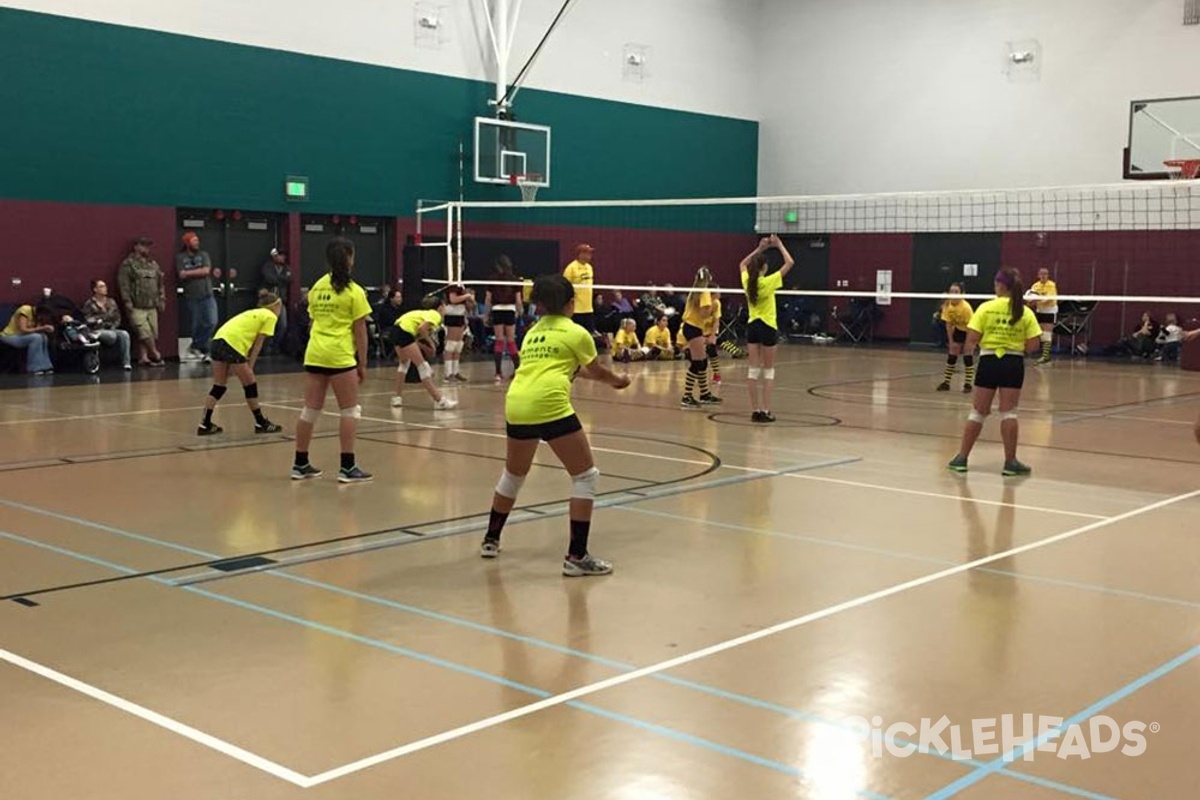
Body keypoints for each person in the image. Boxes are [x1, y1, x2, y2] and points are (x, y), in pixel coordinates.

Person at [479, 274, 631, 576]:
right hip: (549, 404)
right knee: (586, 476)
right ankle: (577, 556)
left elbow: (566, 369)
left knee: (514, 474)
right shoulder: (576, 333)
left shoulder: (532, 333)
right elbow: (596, 371)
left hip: (517, 403)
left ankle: (491, 540)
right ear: (571, 303)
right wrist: (619, 382)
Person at [292, 237, 373, 483]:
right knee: (350, 410)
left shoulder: (317, 287)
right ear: (350, 258)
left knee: (310, 410)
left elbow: (312, 322)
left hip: (315, 353)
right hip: (339, 356)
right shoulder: (355, 292)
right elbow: (360, 331)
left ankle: (300, 463)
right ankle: (347, 467)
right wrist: (363, 363)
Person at [947, 268, 1042, 476]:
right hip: (1013, 362)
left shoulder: (985, 308)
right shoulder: (1024, 311)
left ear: (1000, 285)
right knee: (1009, 412)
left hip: (989, 360)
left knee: (978, 411)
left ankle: (961, 458)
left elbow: (971, 341)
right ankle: (1010, 462)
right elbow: (1034, 345)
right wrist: (1014, 342)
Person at [197, 290, 284, 436]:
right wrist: (250, 366)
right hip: (232, 344)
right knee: (250, 384)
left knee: (219, 386)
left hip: (218, 340)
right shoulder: (270, 316)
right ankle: (260, 422)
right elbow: (258, 344)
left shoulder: (253, 313)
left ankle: (204, 423)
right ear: (276, 305)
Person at [740, 234, 795, 423]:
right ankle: (765, 410)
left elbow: (741, 265)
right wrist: (779, 245)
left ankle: (755, 411)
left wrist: (759, 249)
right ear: (764, 268)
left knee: (753, 371)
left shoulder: (748, 282)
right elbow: (790, 262)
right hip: (768, 327)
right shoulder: (768, 282)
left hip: (752, 326)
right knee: (769, 371)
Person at [391, 301, 458, 410]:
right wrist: (431, 343)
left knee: (404, 364)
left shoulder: (423, 314)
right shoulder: (435, 315)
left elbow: (415, 338)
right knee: (422, 367)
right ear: (440, 307)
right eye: (444, 306)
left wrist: (424, 347)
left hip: (396, 330)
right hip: (404, 331)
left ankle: (396, 398)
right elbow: (422, 329)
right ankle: (439, 400)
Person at [118, 236, 165, 366]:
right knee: (143, 331)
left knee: (152, 331)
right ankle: (155, 354)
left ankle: (144, 357)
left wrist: (162, 298)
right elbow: (124, 284)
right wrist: (127, 301)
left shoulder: (153, 264)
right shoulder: (128, 264)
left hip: (151, 304)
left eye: (148, 246)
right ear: (136, 247)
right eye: (143, 245)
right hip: (136, 305)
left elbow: (160, 282)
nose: (146, 248)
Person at [680, 266, 722, 409]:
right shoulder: (704, 292)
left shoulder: (695, 290)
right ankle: (686, 396)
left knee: (702, 362)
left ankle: (704, 394)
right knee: (698, 363)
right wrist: (713, 301)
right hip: (693, 328)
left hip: (691, 327)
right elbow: (704, 314)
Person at [563, 243, 609, 362]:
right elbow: (565, 287)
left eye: (590, 253)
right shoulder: (571, 268)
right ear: (580, 254)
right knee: (574, 334)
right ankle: (571, 355)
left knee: (588, 335)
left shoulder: (589, 267)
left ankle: (587, 358)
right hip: (576, 309)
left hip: (588, 308)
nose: (590, 255)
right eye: (588, 253)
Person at [176, 232, 218, 362]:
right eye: (194, 241)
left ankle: (197, 345)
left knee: (211, 321)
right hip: (192, 295)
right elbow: (181, 274)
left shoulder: (203, 255)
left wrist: (189, 273)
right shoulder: (180, 257)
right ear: (187, 243)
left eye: (197, 240)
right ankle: (201, 350)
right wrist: (196, 272)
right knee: (197, 323)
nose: (197, 243)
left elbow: (206, 270)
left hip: (207, 294)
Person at [484, 256, 523, 382]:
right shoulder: (515, 279)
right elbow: (518, 300)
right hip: (510, 310)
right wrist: (520, 311)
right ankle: (517, 370)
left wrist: (486, 314)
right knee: (511, 341)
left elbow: (488, 299)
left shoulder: (492, 279)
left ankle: (498, 373)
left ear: (498, 266)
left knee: (499, 341)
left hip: (497, 310)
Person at [82, 279, 132, 370]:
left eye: (105, 286)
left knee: (124, 334)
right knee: (111, 336)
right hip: (98, 330)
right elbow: (87, 319)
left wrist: (114, 326)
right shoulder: (89, 303)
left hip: (111, 328)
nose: (105, 288)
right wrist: (98, 321)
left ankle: (126, 363)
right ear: (95, 289)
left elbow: (117, 317)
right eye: (101, 286)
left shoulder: (111, 302)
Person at [938, 282, 975, 393]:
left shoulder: (966, 308)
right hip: (958, 329)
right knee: (952, 355)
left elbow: (971, 326)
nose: (953, 294)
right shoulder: (947, 306)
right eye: (952, 291)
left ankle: (968, 384)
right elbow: (948, 325)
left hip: (970, 330)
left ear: (962, 294)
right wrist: (951, 341)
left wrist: (969, 342)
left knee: (968, 355)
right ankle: (946, 383)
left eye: (956, 292)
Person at [0, 301, 55, 374]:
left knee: (43, 337)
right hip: (10, 336)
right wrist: (43, 328)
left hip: (22, 336)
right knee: (36, 338)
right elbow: (23, 329)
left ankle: (46, 366)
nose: (46, 318)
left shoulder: (38, 317)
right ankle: (34, 368)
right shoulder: (25, 310)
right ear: (41, 313)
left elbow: (35, 330)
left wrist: (46, 329)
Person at [442, 276, 474, 382]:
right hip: (452, 316)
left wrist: (470, 299)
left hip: (460, 315)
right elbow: (453, 299)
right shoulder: (453, 285)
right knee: (451, 345)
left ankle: (455, 372)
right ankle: (448, 374)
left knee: (458, 345)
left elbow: (469, 303)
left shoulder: (461, 285)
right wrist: (467, 296)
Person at [259, 248, 292, 351]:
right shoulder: (267, 266)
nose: (282, 257)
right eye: (280, 255)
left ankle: (275, 346)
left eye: (283, 255)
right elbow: (269, 278)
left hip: (280, 300)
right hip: (268, 302)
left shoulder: (286, 268)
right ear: (274, 256)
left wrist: (278, 279)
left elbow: (290, 279)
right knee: (268, 325)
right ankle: (266, 348)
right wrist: (282, 279)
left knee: (283, 325)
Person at [1026, 267, 1058, 365]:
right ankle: (1042, 355)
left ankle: (1045, 357)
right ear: (1038, 275)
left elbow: (1049, 299)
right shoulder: (1035, 286)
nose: (1043, 276)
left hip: (1050, 310)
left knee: (1046, 334)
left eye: (1045, 274)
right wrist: (1030, 302)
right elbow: (1030, 300)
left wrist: (1037, 300)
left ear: (1048, 275)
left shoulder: (1051, 285)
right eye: (1041, 274)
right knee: (1039, 333)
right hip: (1040, 310)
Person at [704, 285, 724, 385]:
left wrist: (713, 335)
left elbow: (717, 321)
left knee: (712, 350)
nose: (720, 292)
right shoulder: (703, 302)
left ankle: (716, 374)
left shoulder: (716, 303)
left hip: (710, 330)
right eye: (718, 291)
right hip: (699, 329)